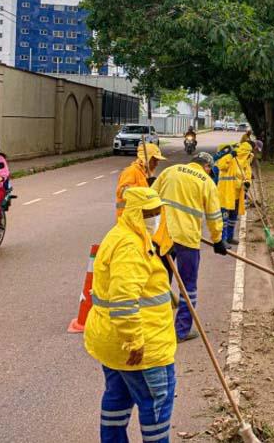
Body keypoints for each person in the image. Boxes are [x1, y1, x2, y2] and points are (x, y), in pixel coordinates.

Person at [84, 187, 177, 443]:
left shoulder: (122, 234)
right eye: (148, 213)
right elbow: (124, 300)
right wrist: (134, 341)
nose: (154, 217)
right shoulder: (130, 247)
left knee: (117, 400)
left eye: (157, 211)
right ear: (135, 213)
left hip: (113, 343)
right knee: (156, 405)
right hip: (142, 348)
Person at [151, 152, 228, 342]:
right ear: (207, 167)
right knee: (188, 287)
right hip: (187, 239)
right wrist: (218, 240)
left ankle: (156, 329)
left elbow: (150, 198)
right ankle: (181, 332)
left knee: (159, 283)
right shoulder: (207, 182)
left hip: (162, 236)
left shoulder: (170, 171)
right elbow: (214, 216)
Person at [115, 142, 167, 218]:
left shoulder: (147, 174)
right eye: (155, 160)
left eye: (158, 161)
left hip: (140, 216)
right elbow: (122, 193)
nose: (157, 164)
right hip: (127, 217)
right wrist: (144, 191)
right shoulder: (131, 171)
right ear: (146, 159)